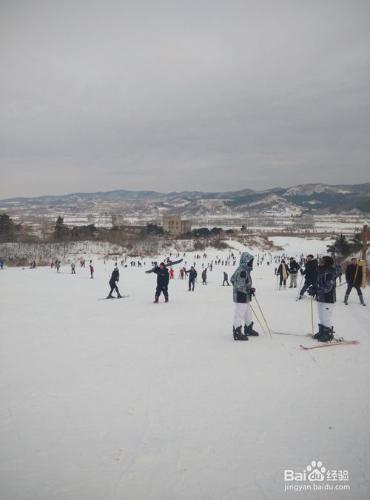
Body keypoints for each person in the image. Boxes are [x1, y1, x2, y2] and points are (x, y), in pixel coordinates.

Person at [230, 252, 259, 341]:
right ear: (245, 261)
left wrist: (250, 289)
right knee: (240, 313)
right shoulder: (242, 271)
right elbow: (239, 285)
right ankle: (237, 332)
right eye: (250, 261)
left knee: (247, 313)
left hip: (245, 296)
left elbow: (237, 281)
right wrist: (248, 290)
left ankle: (248, 328)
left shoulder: (244, 270)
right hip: (241, 296)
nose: (251, 263)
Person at [309, 256, 336, 342]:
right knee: (321, 316)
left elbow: (327, 287)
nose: (320, 262)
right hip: (321, 298)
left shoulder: (330, 272)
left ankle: (328, 334)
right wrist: (313, 289)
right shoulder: (321, 270)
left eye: (322, 261)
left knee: (326, 317)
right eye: (320, 261)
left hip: (328, 299)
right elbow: (318, 283)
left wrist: (316, 289)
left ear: (327, 262)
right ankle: (322, 332)